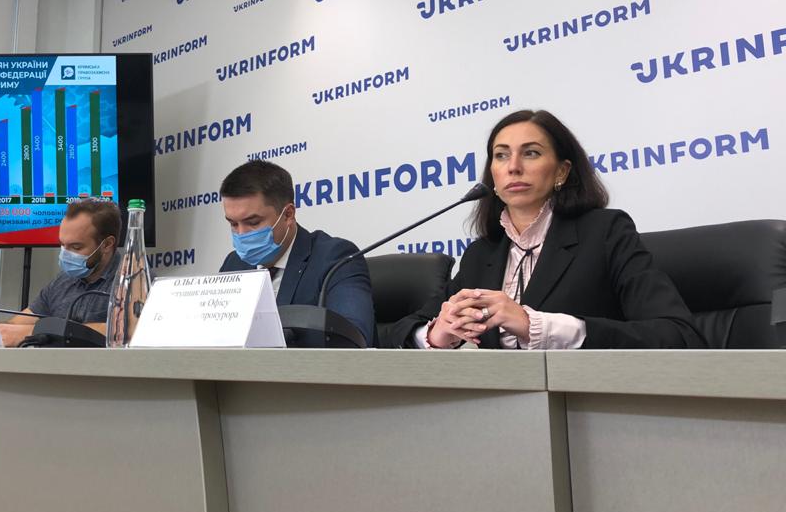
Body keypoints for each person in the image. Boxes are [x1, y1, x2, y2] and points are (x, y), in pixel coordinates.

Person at [386, 109, 705, 349]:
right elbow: (398, 333)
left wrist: (539, 326)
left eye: (531, 153)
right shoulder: (481, 254)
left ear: (562, 172)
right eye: (501, 155)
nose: (513, 167)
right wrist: (436, 333)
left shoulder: (606, 233)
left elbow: (679, 335)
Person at [218, 160, 376, 347]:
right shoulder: (234, 264)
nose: (241, 234)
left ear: (288, 215)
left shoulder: (336, 259)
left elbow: (351, 340)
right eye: (233, 224)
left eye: (253, 222)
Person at [0, 199, 122, 347]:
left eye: (76, 247)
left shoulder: (133, 282)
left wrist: (35, 332)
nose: (66, 255)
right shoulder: (62, 281)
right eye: (63, 245)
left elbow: (124, 331)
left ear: (107, 244)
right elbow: (14, 326)